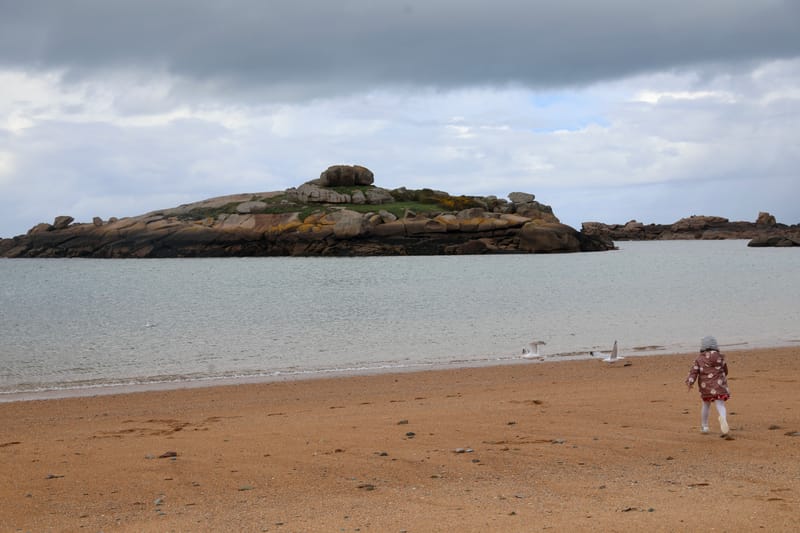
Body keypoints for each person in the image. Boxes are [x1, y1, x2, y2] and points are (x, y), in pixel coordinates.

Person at [685, 336, 731, 436]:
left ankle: (704, 426)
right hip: (719, 386)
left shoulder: (699, 359)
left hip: (706, 387)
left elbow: (694, 372)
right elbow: (726, 370)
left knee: (706, 405)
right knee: (720, 404)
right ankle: (723, 417)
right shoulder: (720, 357)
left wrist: (690, 381)